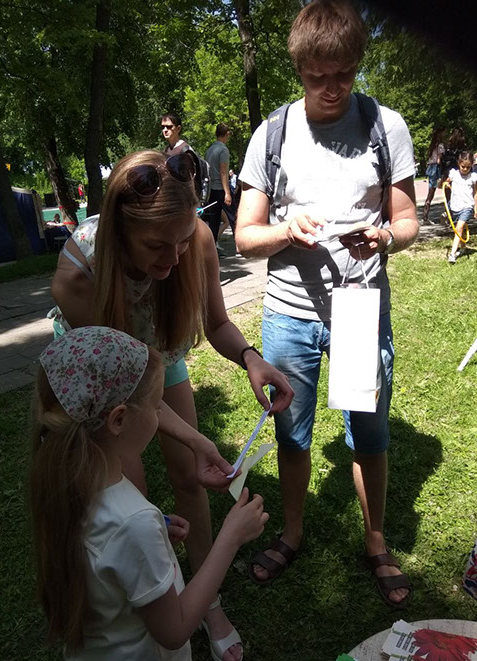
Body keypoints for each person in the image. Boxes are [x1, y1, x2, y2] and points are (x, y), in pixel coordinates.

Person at [51, 149, 293, 661]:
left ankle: (207, 604)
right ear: (121, 232)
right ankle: (155, 605)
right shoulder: (78, 276)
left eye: (183, 242)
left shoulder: (193, 237)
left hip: (159, 354)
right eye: (157, 246)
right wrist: (197, 437)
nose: (174, 258)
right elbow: (127, 398)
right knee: (128, 495)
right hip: (103, 374)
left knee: (190, 477)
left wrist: (250, 358)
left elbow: (217, 322)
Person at [236, 0, 419, 609]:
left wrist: (385, 236)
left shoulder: (384, 125)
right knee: (292, 432)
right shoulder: (272, 133)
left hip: (359, 311)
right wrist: (286, 230)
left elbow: (407, 220)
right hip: (289, 313)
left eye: (344, 74)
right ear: (299, 69)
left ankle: (375, 540)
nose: (332, 88)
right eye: (318, 77)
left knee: (368, 431)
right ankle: (291, 533)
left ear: (357, 64)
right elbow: (244, 236)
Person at [30, 326, 269, 660]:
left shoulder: (68, 483)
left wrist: (157, 526)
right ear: (119, 420)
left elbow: (104, 551)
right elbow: (174, 630)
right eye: (157, 405)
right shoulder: (133, 523)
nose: (160, 414)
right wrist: (230, 537)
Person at [445, 151, 477, 263]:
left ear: (472, 165)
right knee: (460, 229)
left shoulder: (473, 177)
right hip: (455, 206)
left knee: (459, 228)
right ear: (459, 163)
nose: (465, 169)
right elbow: (445, 183)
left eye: (468, 167)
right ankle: (463, 248)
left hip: (467, 206)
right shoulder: (454, 174)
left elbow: (475, 193)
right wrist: (445, 184)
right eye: (463, 166)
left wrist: (475, 208)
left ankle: (452, 254)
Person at [205, 124, 232, 253]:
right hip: (221, 189)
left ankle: (211, 247)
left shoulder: (209, 150)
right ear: (227, 134)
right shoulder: (223, 150)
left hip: (211, 190)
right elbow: (223, 172)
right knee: (233, 217)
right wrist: (227, 192)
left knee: (214, 221)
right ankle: (241, 246)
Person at [422, 127, 445, 225]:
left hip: (430, 167)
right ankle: (447, 215)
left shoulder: (432, 145)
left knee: (430, 192)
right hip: (436, 168)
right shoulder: (440, 145)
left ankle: (425, 215)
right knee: (445, 189)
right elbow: (439, 160)